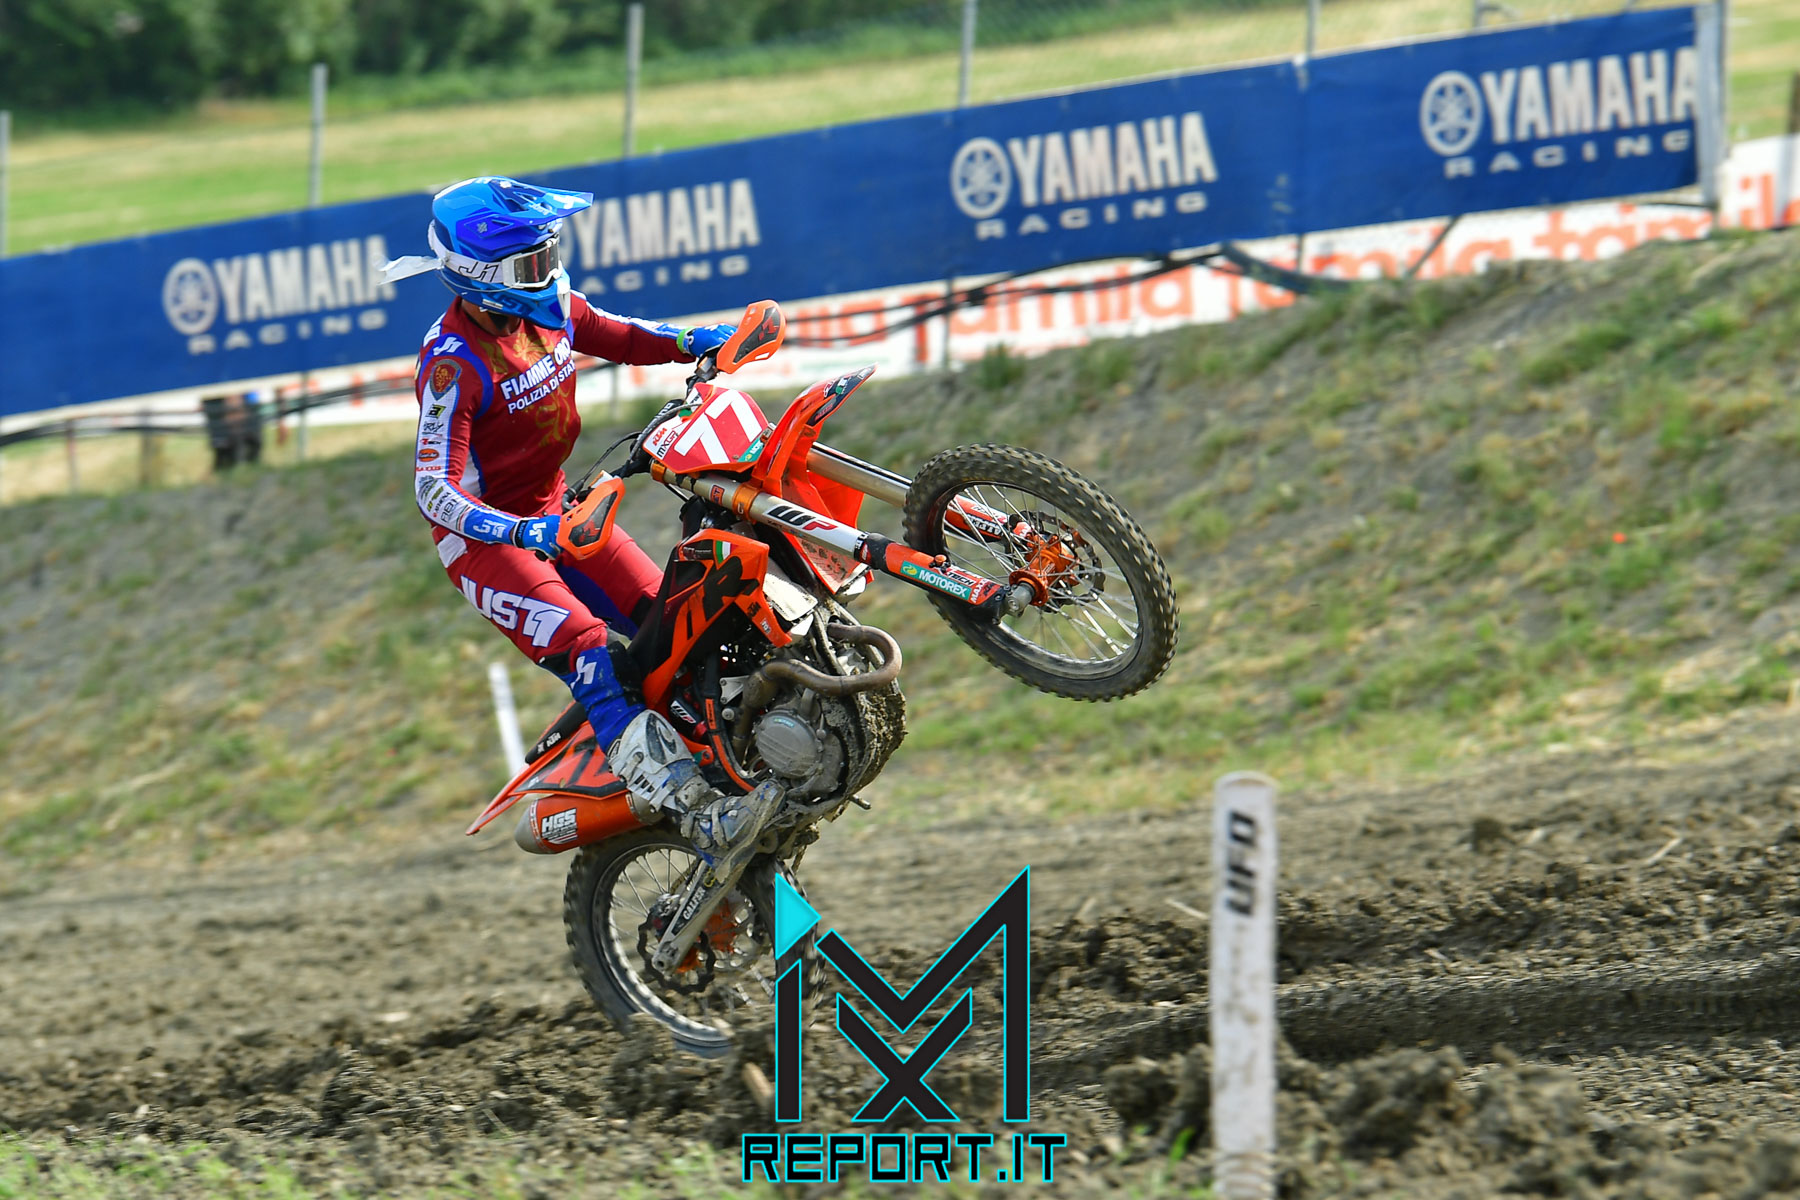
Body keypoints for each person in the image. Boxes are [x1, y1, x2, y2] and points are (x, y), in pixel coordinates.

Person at [387, 176, 781, 866]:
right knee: (590, 647)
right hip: (485, 543)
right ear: (483, 278)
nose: (548, 272)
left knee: (677, 617)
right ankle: (689, 806)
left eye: (549, 253)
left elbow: (616, 333)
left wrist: (694, 340)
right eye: (531, 263)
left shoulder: (550, 307)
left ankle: (740, 750)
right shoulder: (452, 364)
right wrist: (526, 534)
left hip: (558, 509)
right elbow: (433, 491)